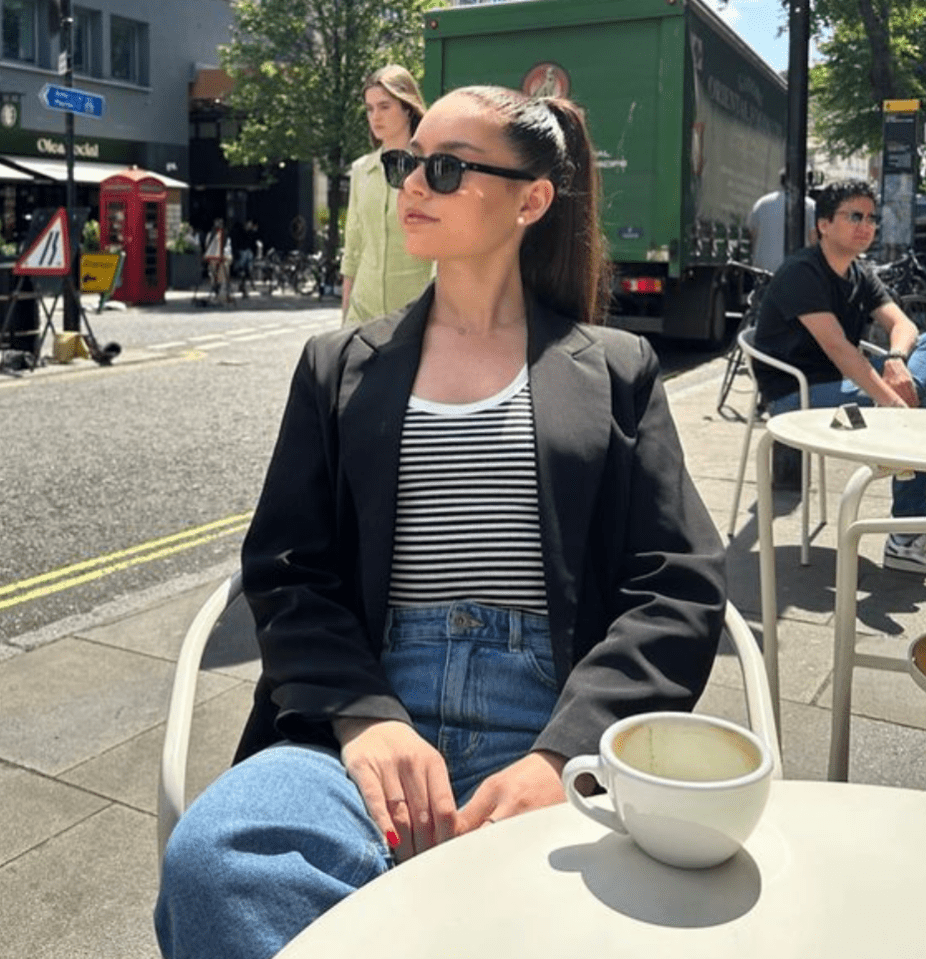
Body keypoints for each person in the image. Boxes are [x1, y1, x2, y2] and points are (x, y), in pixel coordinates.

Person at [155, 85, 726, 959]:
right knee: (219, 860)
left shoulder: (617, 369)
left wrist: (565, 754)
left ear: (531, 200)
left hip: (550, 718)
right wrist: (364, 713)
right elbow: (285, 566)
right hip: (364, 711)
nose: (412, 182)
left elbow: (677, 582)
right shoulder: (338, 365)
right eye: (404, 163)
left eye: (446, 167)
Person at [754, 179, 926, 572]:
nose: (866, 225)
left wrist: (897, 359)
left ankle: (911, 526)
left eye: (871, 218)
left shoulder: (858, 273)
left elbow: (903, 324)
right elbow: (840, 350)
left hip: (840, 384)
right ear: (824, 225)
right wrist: (893, 402)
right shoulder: (804, 272)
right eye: (854, 216)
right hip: (795, 394)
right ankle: (906, 537)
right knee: (918, 408)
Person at [340, 64, 433, 325]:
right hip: (363, 310)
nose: (375, 117)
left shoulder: (429, 170)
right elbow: (353, 247)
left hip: (414, 311)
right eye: (370, 109)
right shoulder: (361, 170)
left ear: (407, 108)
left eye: (384, 106)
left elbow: (442, 252)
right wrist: (345, 322)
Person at [747, 169, 817, 274]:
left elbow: (751, 234)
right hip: (795, 275)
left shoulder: (762, 203)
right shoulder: (809, 206)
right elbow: (814, 240)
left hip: (762, 274)